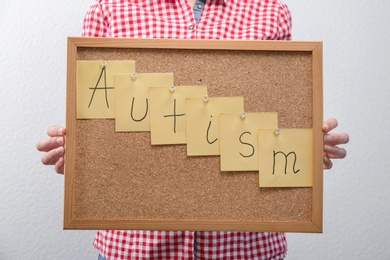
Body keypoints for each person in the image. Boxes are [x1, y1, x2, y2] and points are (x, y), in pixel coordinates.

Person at [36, 0, 349, 259]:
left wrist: (303, 147)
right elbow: (100, 120)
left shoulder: (270, 12)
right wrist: (83, 154)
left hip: (245, 247)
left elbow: (276, 113)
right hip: (137, 247)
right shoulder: (110, 11)